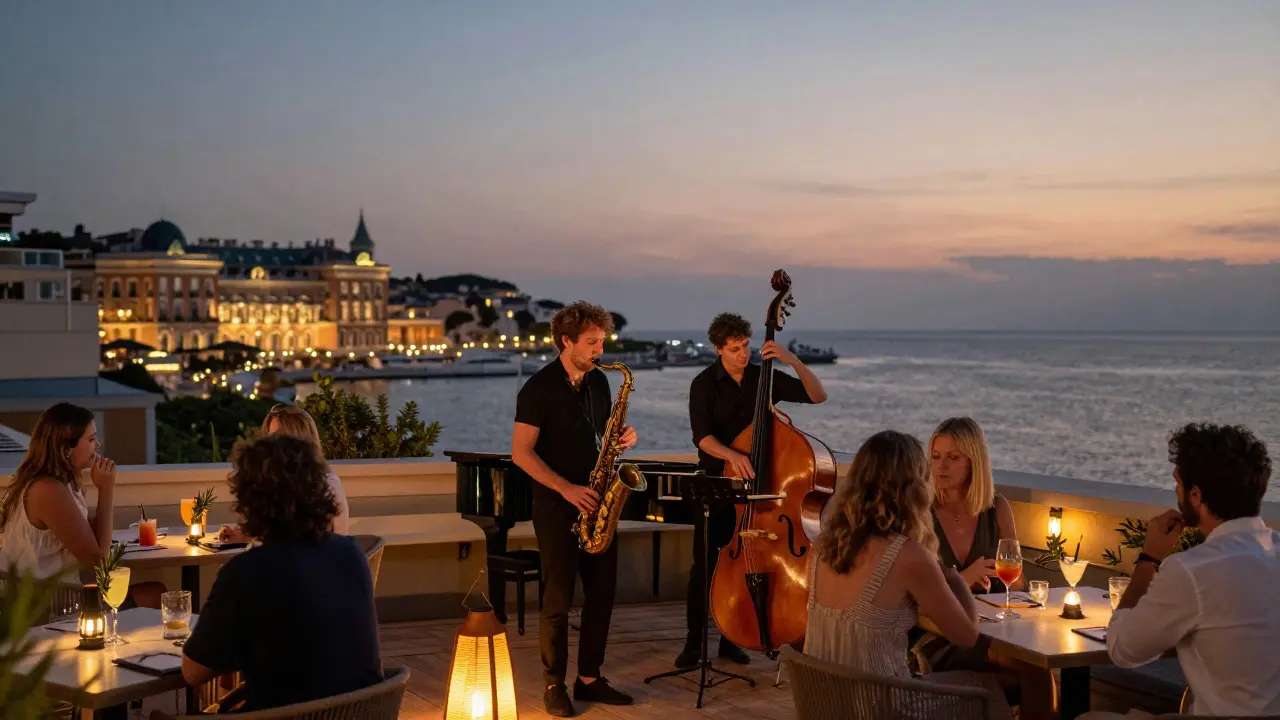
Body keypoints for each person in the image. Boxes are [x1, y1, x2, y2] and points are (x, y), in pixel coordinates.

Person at [806, 430, 1014, 720]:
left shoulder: (821, 548)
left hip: (826, 704)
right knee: (988, 686)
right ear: (913, 487)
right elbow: (967, 635)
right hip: (881, 708)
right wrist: (953, 577)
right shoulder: (906, 555)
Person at [181, 433, 383, 712]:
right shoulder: (351, 554)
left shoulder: (247, 571)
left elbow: (193, 672)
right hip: (358, 714)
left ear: (250, 500)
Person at [677, 312, 827, 668]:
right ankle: (694, 643)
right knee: (706, 566)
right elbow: (702, 437)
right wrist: (732, 454)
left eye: (746, 346)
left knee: (749, 564)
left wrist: (791, 359)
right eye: (735, 348)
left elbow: (817, 395)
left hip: (761, 491)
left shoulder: (764, 377)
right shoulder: (703, 384)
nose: (744, 354)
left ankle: (733, 637)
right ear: (718, 349)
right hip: (719, 484)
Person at [511, 301, 636, 717]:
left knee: (602, 595)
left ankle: (589, 679)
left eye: (603, 341)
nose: (601, 349)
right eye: (592, 342)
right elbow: (521, 454)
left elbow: (600, 437)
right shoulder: (538, 388)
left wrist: (620, 439)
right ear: (566, 341)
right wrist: (565, 488)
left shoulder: (599, 383)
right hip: (557, 504)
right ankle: (553, 684)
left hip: (597, 502)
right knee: (558, 600)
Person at [1102, 422, 1278, 717]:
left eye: (1178, 483)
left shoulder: (1193, 570)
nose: (1176, 491)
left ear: (1196, 495)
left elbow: (1123, 649)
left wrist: (1149, 559)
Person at [0, 403, 164, 608]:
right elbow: (97, 559)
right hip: (47, 605)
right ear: (66, 448)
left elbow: (92, 539)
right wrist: (106, 489)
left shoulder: (58, 483)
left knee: (155, 590)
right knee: (157, 594)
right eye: (91, 439)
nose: (98, 444)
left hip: (43, 596)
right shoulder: (48, 490)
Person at [219, 403, 349, 542]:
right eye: (269, 437)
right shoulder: (276, 484)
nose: (272, 445)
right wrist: (243, 535)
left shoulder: (325, 485)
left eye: (278, 437)